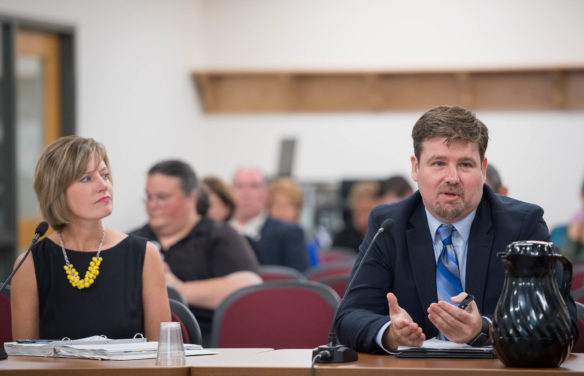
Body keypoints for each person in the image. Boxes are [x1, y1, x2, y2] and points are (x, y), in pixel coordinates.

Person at [335, 105, 578, 353]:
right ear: (415, 168)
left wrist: (485, 329)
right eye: (438, 163)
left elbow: (561, 321)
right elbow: (349, 316)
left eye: (465, 164)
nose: (452, 177)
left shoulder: (522, 224)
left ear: (482, 170)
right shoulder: (389, 225)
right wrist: (390, 333)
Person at [11, 136, 170, 341]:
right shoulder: (29, 264)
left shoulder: (144, 255)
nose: (103, 185)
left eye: (104, 175)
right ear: (57, 191)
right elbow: (24, 363)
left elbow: (164, 357)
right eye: (86, 178)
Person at [130, 160, 261, 341]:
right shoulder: (134, 241)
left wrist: (178, 289)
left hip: (207, 343)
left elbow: (249, 286)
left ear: (191, 198)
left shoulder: (219, 236)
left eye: (162, 197)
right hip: (141, 343)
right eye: (149, 197)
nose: (152, 205)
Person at [231, 167, 309, 272]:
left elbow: (299, 282)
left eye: (254, 186)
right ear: (230, 192)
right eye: (239, 186)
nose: (246, 193)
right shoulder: (216, 231)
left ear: (266, 193)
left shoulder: (288, 233)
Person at [332, 181, 380, 253]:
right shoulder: (342, 239)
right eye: (360, 212)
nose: (364, 218)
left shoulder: (385, 238)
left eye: (368, 211)